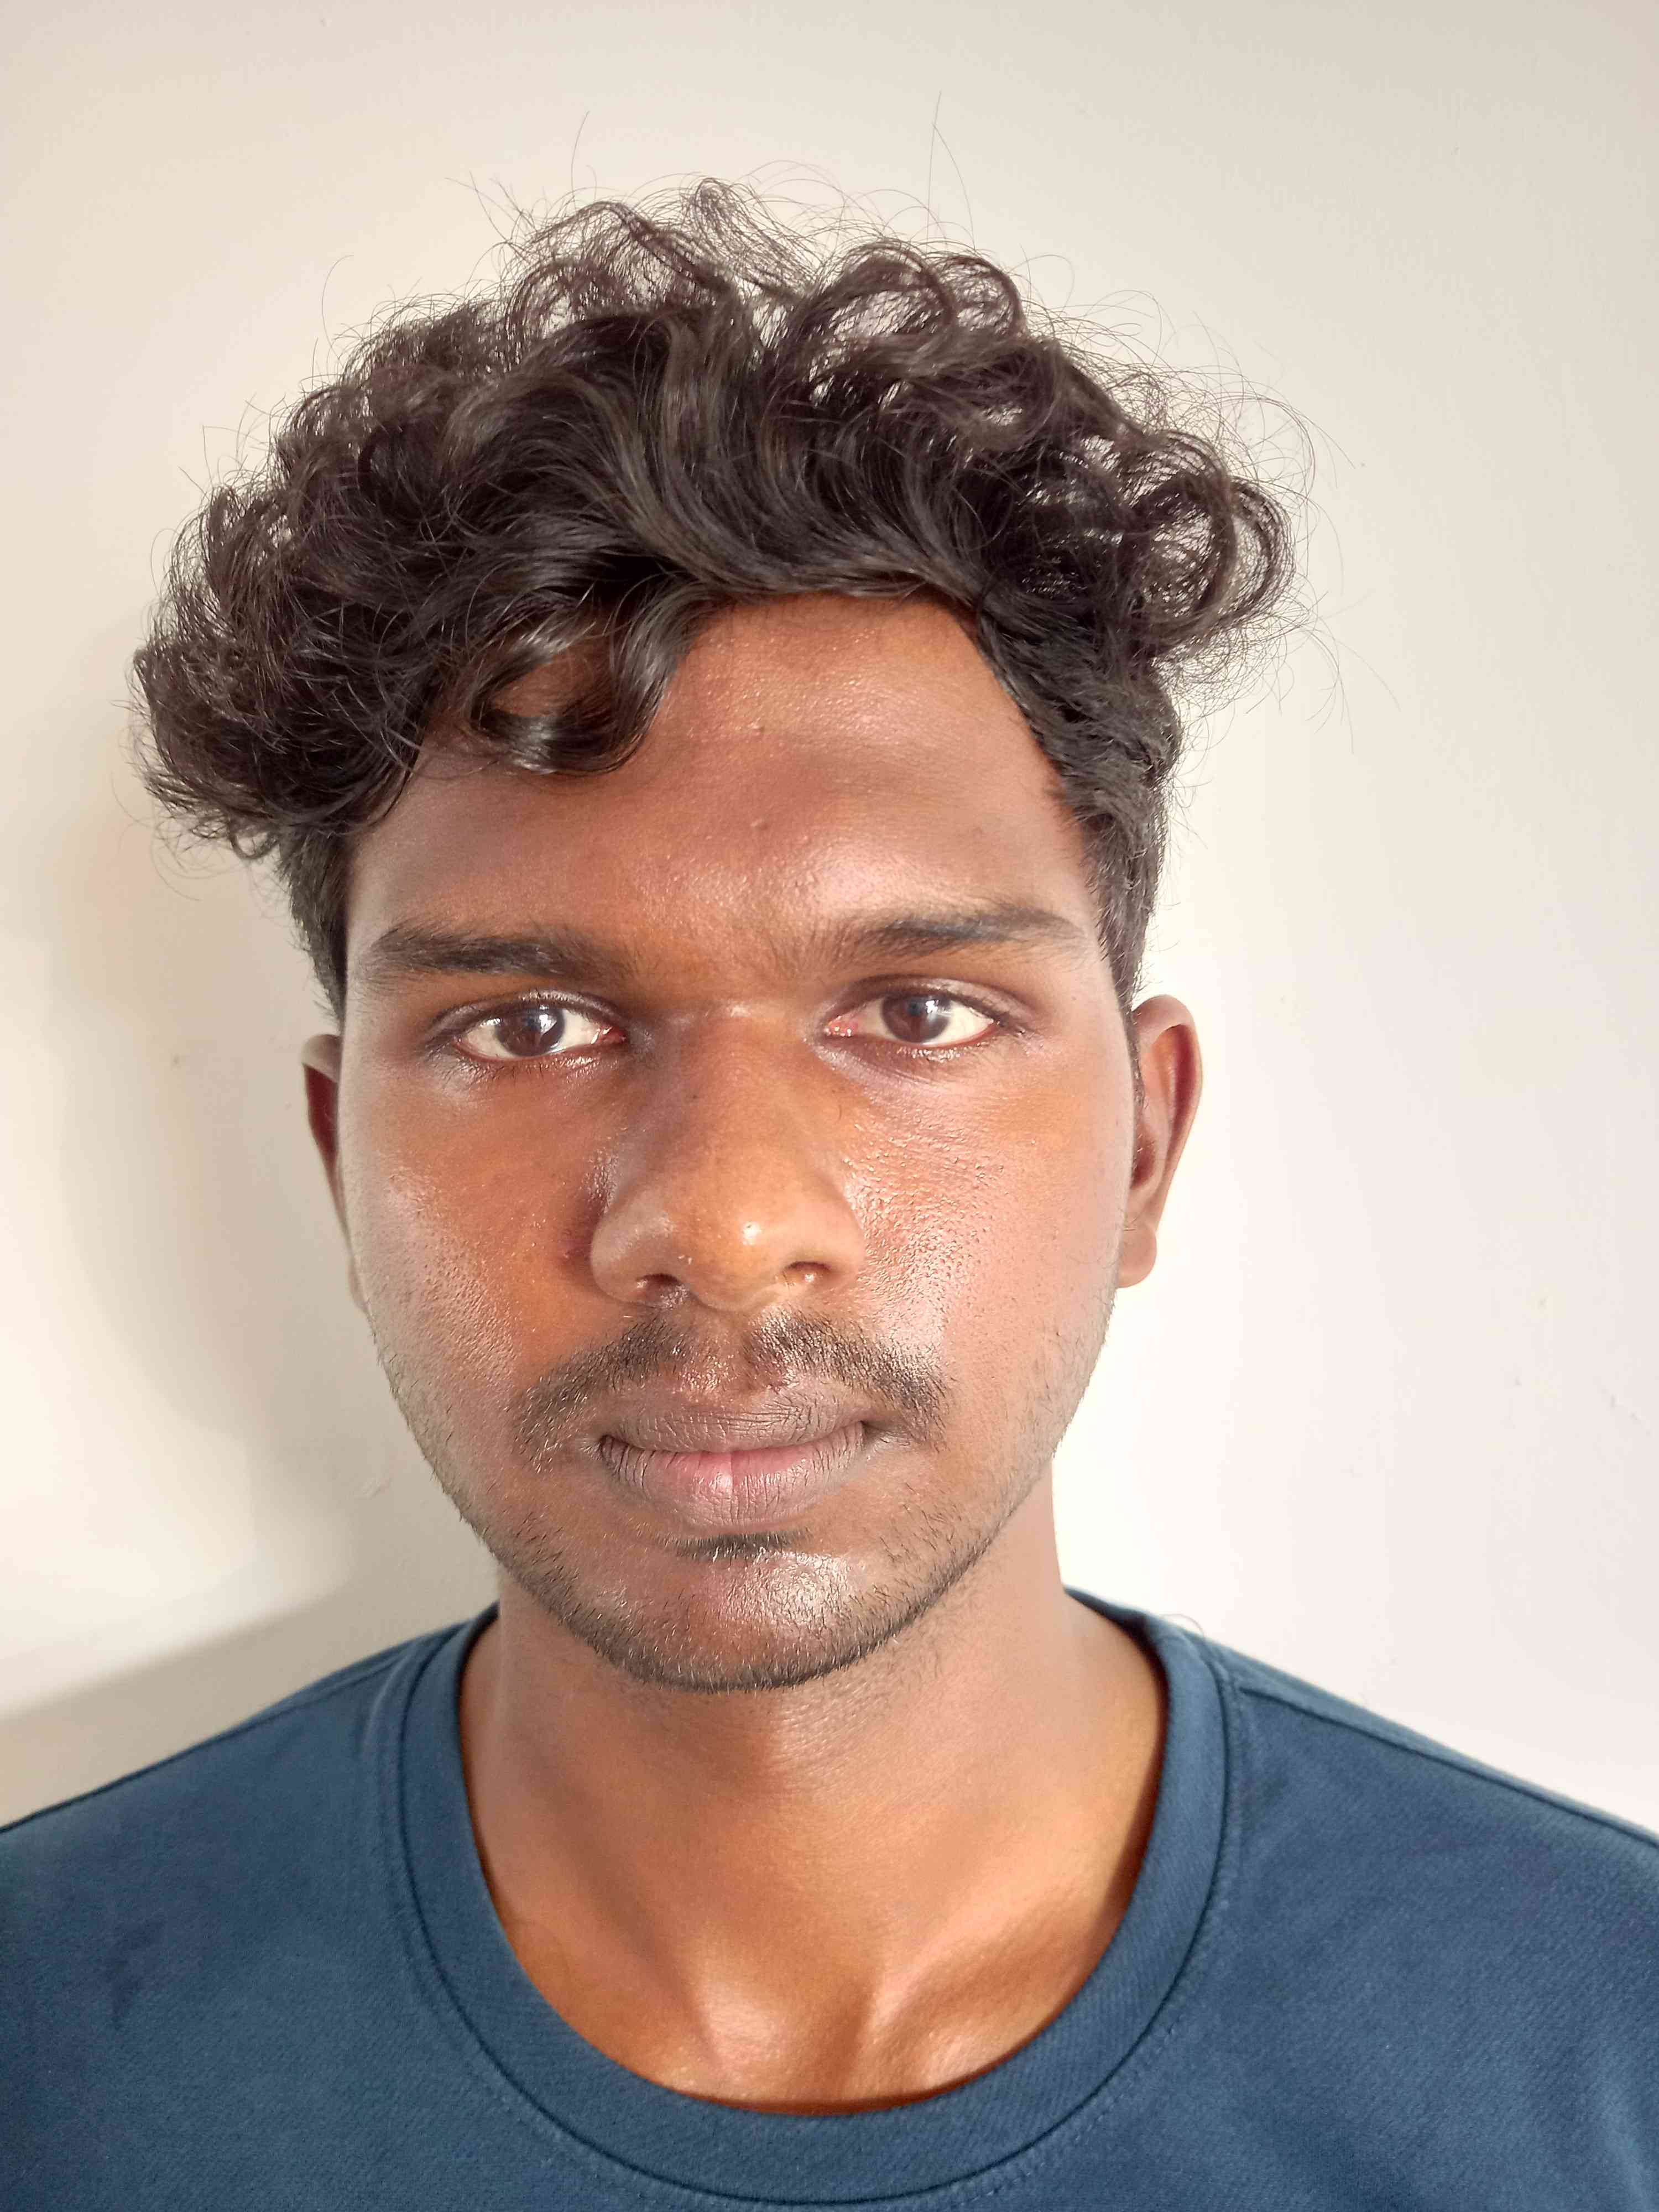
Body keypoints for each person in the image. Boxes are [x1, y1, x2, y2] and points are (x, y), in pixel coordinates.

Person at [2, 182, 1653, 2209]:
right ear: (344, 1165)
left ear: (1145, 1144)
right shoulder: (43, 2054)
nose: (719, 1219)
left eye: (918, 1011)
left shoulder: (1608, 2064)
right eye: (530, 1027)